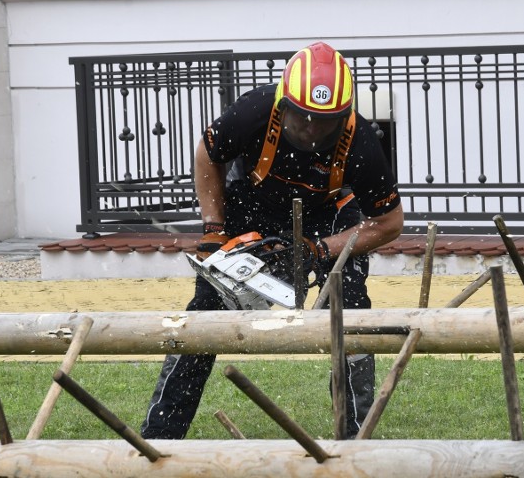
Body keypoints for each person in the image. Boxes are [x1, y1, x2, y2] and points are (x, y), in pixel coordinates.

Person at [140, 41, 404, 440]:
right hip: (251, 204)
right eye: (303, 117)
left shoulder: (363, 141)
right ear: (282, 105)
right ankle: (160, 434)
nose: (313, 129)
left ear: (344, 115)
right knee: (205, 311)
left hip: (328, 216)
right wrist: (213, 229)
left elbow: (388, 223)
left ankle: (354, 438)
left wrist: (320, 250)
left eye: (325, 120)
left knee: (351, 312)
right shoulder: (253, 111)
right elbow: (206, 155)